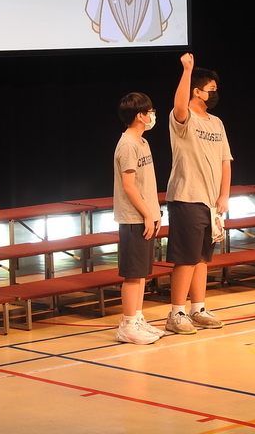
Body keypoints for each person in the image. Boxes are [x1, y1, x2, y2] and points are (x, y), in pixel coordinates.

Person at [164, 53, 232, 335]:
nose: (215, 94)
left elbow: (225, 160)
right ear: (197, 91)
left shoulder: (217, 122)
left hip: (210, 202)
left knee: (203, 257)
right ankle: (176, 313)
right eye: (211, 89)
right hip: (187, 197)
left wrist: (224, 196)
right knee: (186, 258)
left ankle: (198, 308)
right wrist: (187, 70)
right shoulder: (184, 118)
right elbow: (179, 104)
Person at [112, 92, 164, 344]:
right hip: (133, 218)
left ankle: (138, 317)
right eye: (150, 111)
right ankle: (128, 325)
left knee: (142, 272)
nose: (153, 115)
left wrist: (155, 212)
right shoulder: (128, 145)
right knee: (133, 274)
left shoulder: (142, 142)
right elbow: (129, 186)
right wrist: (146, 214)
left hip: (145, 215)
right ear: (139, 115)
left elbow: (147, 184)